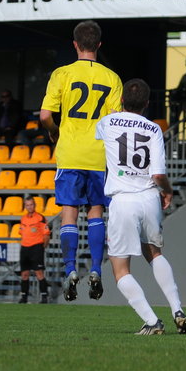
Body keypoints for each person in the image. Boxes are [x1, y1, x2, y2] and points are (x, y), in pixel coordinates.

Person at [95, 78, 186, 335]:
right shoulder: (153, 129)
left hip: (122, 198)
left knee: (120, 269)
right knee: (155, 254)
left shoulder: (107, 122)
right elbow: (158, 175)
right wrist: (168, 191)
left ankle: (152, 322)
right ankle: (177, 309)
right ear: (148, 104)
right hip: (149, 197)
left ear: (122, 101)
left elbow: (99, 132)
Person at [40, 20, 122, 302]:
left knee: (69, 213)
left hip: (70, 152)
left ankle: (71, 270)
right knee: (96, 212)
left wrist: (54, 132)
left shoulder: (62, 73)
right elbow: (117, 121)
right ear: (99, 45)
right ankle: (96, 269)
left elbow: (45, 116)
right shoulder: (111, 78)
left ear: (75, 44)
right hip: (99, 154)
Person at [18, 196, 51, 304]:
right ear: (25, 206)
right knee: (24, 274)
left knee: (39, 273)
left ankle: (44, 296)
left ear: (34, 205)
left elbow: (46, 235)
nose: (29, 207)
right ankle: (24, 297)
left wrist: (41, 248)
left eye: (31, 204)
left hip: (36, 248)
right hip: (25, 248)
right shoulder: (23, 218)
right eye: (27, 205)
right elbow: (21, 233)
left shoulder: (40, 218)